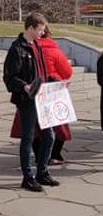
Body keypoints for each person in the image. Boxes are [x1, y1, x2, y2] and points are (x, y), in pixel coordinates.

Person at [3, 12, 58, 192]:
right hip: (27, 100)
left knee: (50, 136)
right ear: (31, 28)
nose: (43, 33)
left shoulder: (37, 46)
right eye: (40, 30)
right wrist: (24, 87)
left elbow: (40, 72)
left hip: (42, 97)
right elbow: (10, 78)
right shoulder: (17, 48)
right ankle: (27, 177)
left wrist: (52, 80)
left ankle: (42, 172)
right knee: (27, 138)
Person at [35, 26, 72, 164]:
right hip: (54, 91)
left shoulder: (30, 49)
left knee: (35, 127)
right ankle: (54, 155)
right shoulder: (54, 51)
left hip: (35, 90)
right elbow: (67, 72)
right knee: (59, 125)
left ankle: (39, 155)